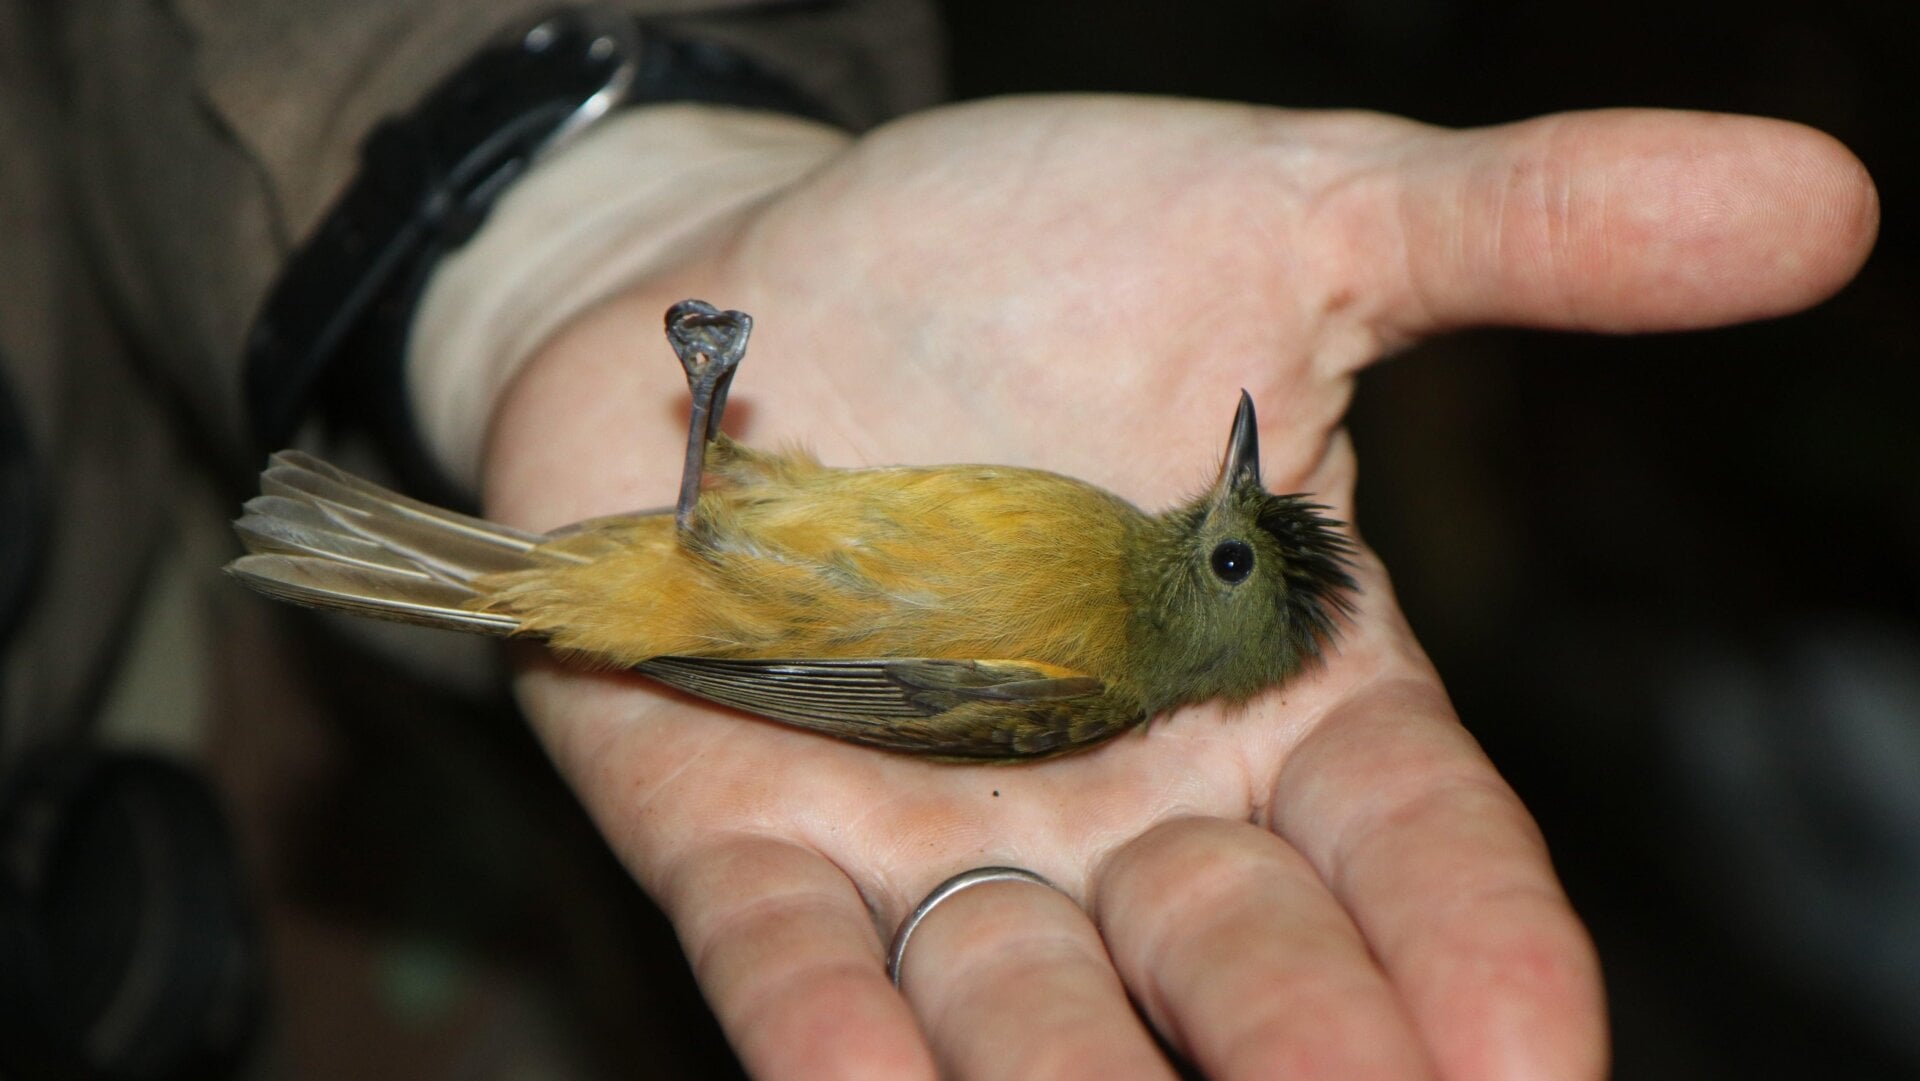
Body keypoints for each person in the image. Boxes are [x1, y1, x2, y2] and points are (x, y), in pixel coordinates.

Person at [0, 1, 1878, 1078]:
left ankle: (608, 495)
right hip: (725, 552)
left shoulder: (1084, 673)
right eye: (1244, 505)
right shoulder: (1109, 534)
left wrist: (685, 575)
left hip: (753, 601)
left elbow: (867, 674)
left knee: (713, 556)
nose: (1218, 497)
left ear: (1207, 620)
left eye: (1231, 539)